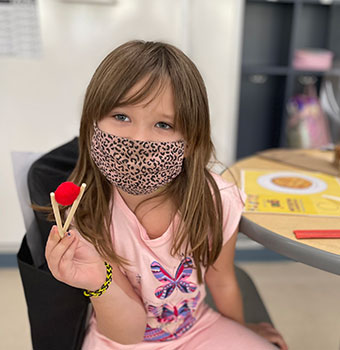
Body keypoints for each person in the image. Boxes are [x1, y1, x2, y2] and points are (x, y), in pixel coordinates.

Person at [45, 40, 288, 350]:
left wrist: (243, 331)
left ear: (188, 140)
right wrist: (99, 283)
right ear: (92, 122)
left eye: (163, 124)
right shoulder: (86, 209)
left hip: (198, 329)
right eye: (121, 117)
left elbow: (222, 279)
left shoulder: (217, 199)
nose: (138, 139)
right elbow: (127, 333)